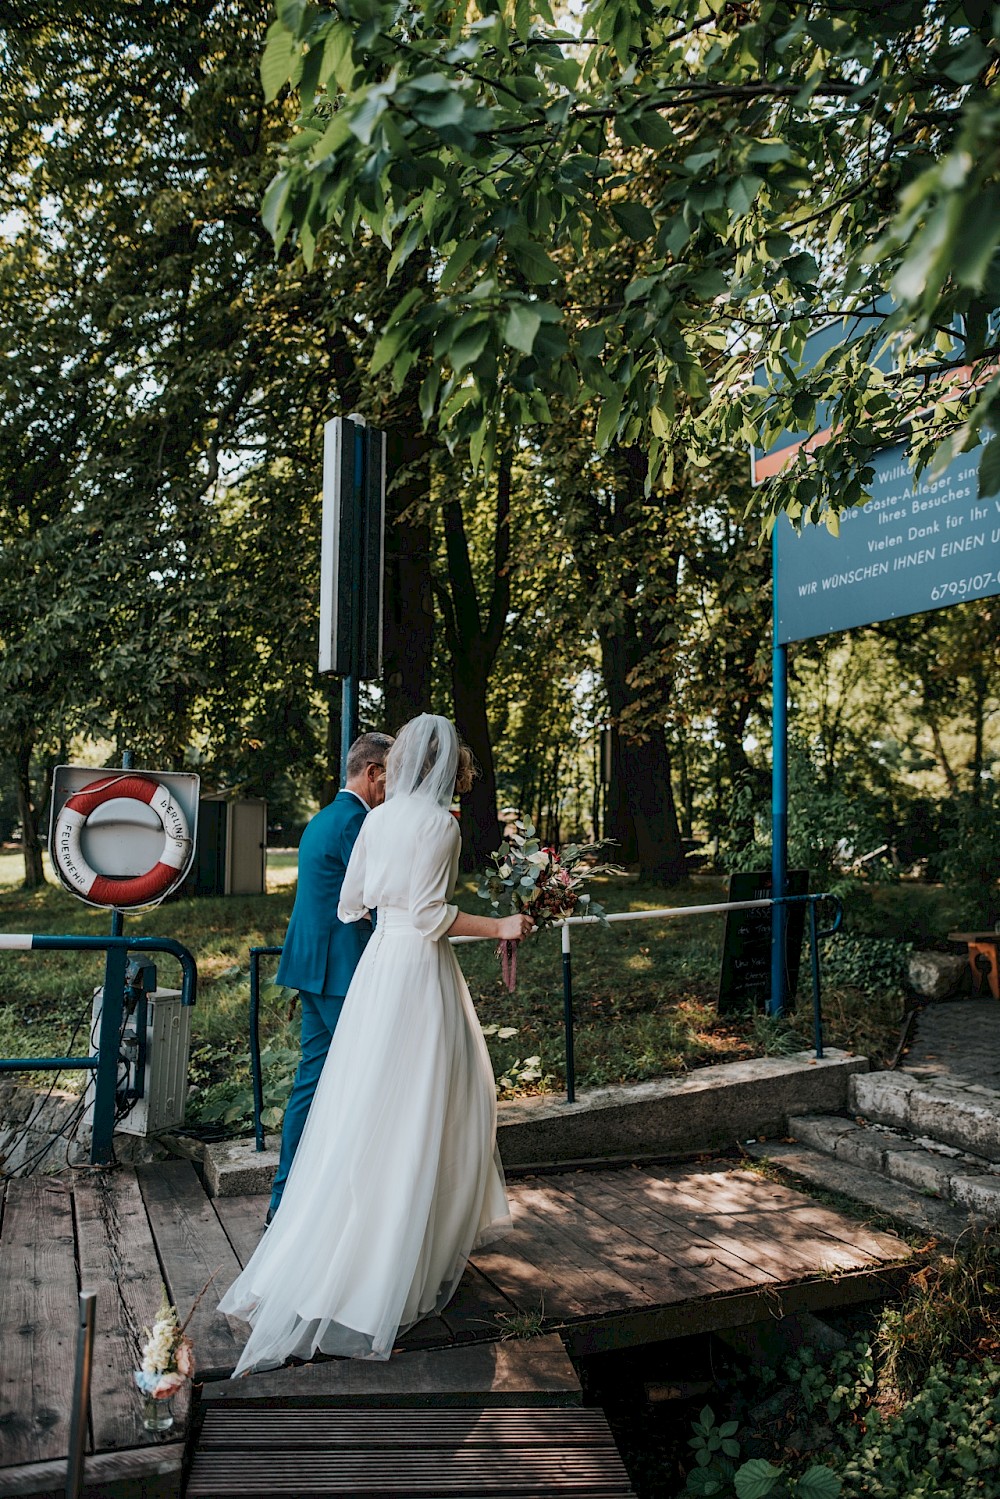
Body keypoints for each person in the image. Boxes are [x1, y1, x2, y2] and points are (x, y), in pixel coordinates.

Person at [220, 714, 533, 1372]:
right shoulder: (441, 825)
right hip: (419, 977)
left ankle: (336, 1242)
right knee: (426, 1106)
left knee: (358, 1103)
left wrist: (394, 920)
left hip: (374, 976)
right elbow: (429, 918)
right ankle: (402, 1263)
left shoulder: (379, 820)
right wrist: (501, 922)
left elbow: (350, 904)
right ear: (444, 767)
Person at [266, 730, 394, 1223]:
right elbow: (377, 899)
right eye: (392, 777)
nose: (395, 791)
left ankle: (284, 1201)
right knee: (361, 1082)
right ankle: (343, 1208)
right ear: (372, 773)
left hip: (310, 966)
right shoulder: (358, 824)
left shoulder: (323, 818)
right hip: (341, 971)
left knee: (312, 1081)